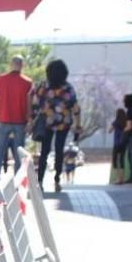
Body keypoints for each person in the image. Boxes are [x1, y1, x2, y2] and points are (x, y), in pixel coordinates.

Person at [32, 59, 82, 192]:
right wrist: (78, 125)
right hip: (63, 123)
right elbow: (76, 108)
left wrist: (33, 120)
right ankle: (57, 180)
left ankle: (40, 181)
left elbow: (35, 103)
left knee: (44, 151)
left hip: (47, 123)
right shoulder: (68, 88)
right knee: (59, 151)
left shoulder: (43, 86)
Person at [0, 55, 33, 192]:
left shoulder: (0, 80)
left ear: (11, 64)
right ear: (22, 65)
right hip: (20, 121)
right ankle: (17, 183)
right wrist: (29, 119)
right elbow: (29, 103)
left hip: (4, 120)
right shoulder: (27, 82)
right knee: (19, 153)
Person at [110, 108, 128, 185]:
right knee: (121, 160)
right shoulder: (126, 122)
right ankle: (122, 178)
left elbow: (109, 131)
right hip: (123, 143)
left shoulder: (115, 122)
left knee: (115, 161)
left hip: (116, 143)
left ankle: (118, 178)